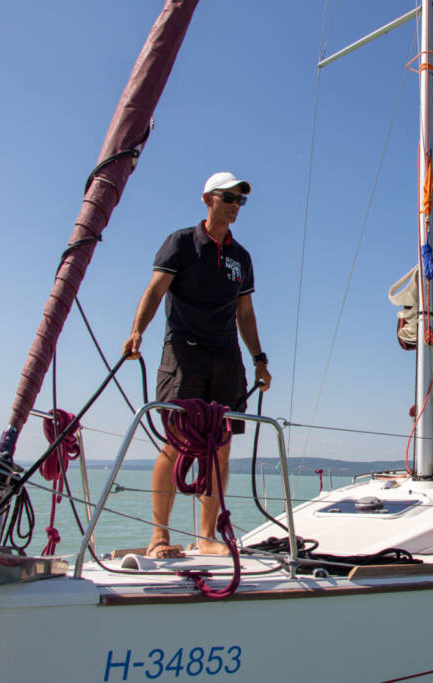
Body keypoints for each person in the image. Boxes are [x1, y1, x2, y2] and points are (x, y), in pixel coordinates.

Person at [122, 172, 271, 558]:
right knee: (176, 444)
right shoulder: (181, 242)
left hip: (226, 358)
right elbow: (156, 289)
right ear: (208, 199)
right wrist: (137, 331)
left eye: (241, 200)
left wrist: (259, 359)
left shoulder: (241, 257)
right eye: (229, 197)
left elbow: (246, 313)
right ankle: (160, 537)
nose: (235, 205)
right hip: (183, 353)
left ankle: (206, 537)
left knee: (219, 447)